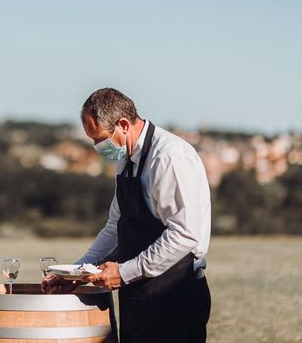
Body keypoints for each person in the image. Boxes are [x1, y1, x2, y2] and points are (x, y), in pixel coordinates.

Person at [42, 88, 212, 343]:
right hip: (139, 294)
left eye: (100, 139)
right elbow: (115, 227)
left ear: (122, 124)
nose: (97, 147)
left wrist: (123, 272)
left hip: (175, 296)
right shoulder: (126, 161)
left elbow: (184, 234)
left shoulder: (168, 157)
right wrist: (76, 273)